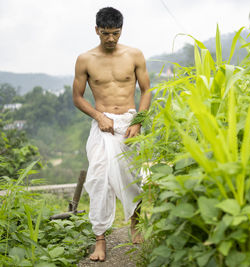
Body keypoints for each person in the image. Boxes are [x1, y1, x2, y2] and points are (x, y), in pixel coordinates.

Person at [72, 7, 151, 262]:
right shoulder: (85, 59)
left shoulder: (134, 55)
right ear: (97, 30)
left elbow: (146, 90)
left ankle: (135, 223)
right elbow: (77, 97)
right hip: (102, 125)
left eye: (115, 33)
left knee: (132, 175)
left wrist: (138, 122)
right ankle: (100, 239)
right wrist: (99, 116)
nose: (110, 39)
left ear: (121, 30)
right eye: (105, 33)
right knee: (99, 179)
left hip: (129, 123)